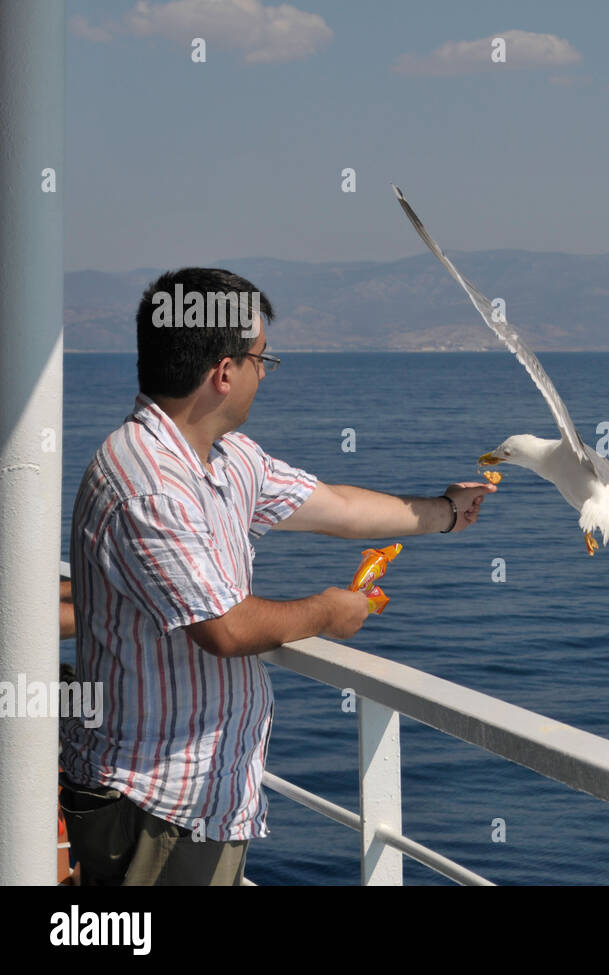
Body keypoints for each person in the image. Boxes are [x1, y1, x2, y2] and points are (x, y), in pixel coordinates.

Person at [59, 267, 496, 885]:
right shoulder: (146, 483)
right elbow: (227, 630)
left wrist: (446, 513)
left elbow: (338, 508)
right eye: (263, 359)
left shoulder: (229, 458)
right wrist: (327, 612)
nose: (265, 373)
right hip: (152, 804)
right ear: (224, 372)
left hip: (200, 801)